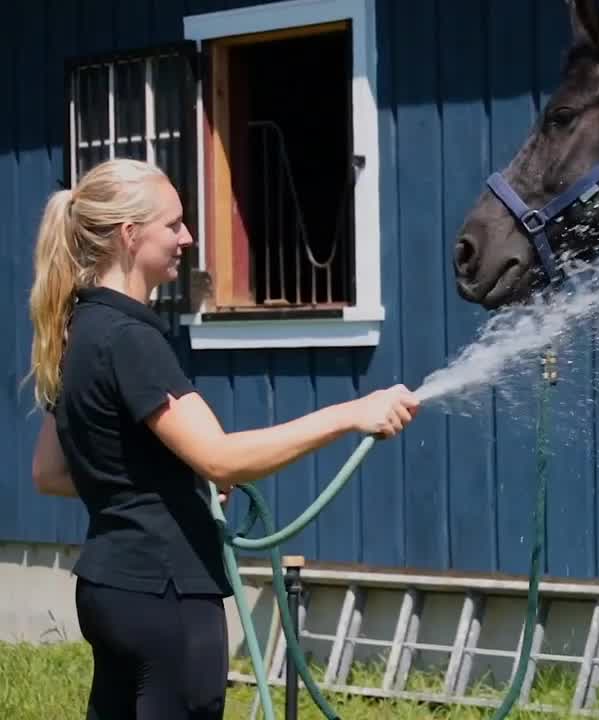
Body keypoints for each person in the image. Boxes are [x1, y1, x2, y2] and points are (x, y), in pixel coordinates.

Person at [26, 157, 421, 719]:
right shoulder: (131, 339)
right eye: (174, 224)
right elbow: (221, 459)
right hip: (167, 594)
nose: (187, 237)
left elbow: (50, 473)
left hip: (108, 590)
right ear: (129, 235)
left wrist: (165, 479)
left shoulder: (76, 331)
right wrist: (353, 413)